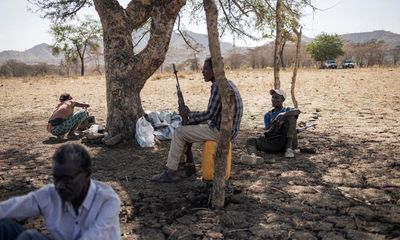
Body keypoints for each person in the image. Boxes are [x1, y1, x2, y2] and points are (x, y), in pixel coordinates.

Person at [0, 144, 121, 240]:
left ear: (87, 175)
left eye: (68, 179)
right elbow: (11, 207)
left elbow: (95, 236)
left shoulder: (107, 200)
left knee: (29, 237)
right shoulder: (51, 194)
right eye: (56, 178)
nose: (60, 185)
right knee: (4, 226)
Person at [151, 57, 243, 183]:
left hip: (221, 132)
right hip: (228, 130)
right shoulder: (228, 83)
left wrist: (189, 114)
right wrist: (192, 117)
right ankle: (188, 167)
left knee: (179, 132)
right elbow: (214, 113)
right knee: (189, 126)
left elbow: (210, 114)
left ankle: (171, 171)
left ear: (215, 70)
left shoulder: (218, 86)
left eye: (206, 69)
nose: (202, 72)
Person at [246, 89, 300, 158]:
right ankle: (253, 157)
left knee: (291, 117)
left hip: (289, 142)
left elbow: (297, 111)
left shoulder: (287, 110)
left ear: (282, 100)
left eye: (276, 98)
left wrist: (283, 115)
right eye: (273, 97)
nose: (273, 99)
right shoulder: (268, 115)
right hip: (275, 143)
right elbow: (268, 132)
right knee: (251, 140)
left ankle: (288, 149)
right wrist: (274, 126)